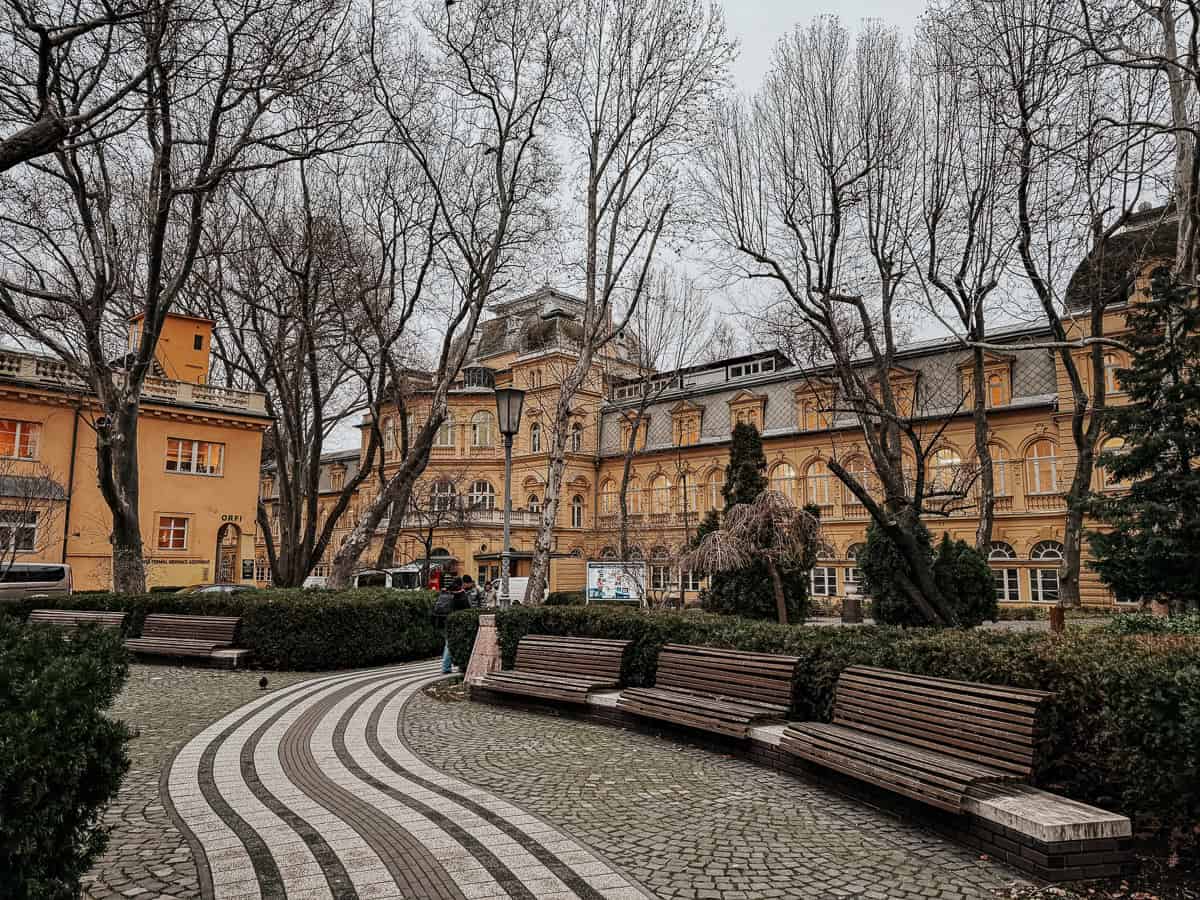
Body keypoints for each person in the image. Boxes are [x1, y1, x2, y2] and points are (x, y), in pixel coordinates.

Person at [432, 576, 469, 675]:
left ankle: (447, 667)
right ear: (461, 584)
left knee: (448, 643)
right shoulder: (461, 595)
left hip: (443, 621)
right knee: (458, 644)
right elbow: (467, 609)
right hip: (456, 623)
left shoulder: (445, 593)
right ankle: (458, 666)